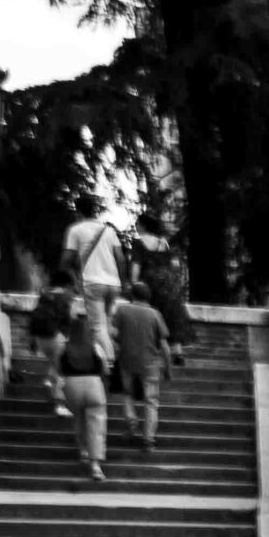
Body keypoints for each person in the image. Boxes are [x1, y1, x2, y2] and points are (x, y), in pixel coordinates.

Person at [61, 195, 125, 371]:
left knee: (97, 327)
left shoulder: (76, 230)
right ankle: (106, 359)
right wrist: (123, 282)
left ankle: (110, 362)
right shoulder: (109, 231)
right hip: (113, 283)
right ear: (95, 211)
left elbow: (67, 259)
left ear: (78, 211)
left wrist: (72, 277)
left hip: (92, 282)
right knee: (107, 324)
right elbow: (120, 258)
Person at [111, 284, 172, 455]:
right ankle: (148, 440)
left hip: (126, 360)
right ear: (148, 297)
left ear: (132, 295)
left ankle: (131, 418)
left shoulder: (122, 310)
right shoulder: (155, 314)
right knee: (151, 401)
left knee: (127, 393)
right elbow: (164, 345)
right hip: (151, 363)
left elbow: (113, 333)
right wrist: (167, 367)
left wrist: (120, 342)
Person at [55, 305, 112, 481]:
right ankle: (95, 466)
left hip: (72, 385)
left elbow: (58, 368)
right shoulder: (96, 347)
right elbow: (105, 369)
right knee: (96, 424)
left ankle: (83, 450)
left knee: (79, 419)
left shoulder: (64, 347)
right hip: (93, 384)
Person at [131, 212, 192, 365]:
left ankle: (152, 353)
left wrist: (134, 283)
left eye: (137, 224)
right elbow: (174, 264)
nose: (136, 226)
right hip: (167, 283)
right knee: (171, 316)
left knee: (151, 316)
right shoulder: (163, 242)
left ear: (143, 225)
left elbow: (136, 264)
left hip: (149, 282)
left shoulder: (138, 243)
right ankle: (177, 352)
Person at [26, 267, 79, 412]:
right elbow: (68, 319)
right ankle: (59, 404)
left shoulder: (45, 294)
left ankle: (49, 380)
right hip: (55, 337)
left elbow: (35, 316)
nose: (73, 291)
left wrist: (32, 341)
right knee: (62, 371)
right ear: (67, 285)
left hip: (40, 338)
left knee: (54, 361)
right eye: (72, 287)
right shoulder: (65, 297)